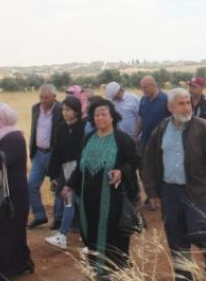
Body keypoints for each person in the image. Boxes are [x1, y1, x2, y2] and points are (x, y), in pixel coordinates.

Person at [143, 88, 206, 281]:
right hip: (170, 193)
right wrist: (152, 191)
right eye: (181, 104)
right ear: (170, 107)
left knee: (203, 234)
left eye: (188, 103)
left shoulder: (204, 127)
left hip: (198, 192)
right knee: (176, 238)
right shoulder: (161, 129)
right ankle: (184, 276)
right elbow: (149, 162)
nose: (186, 108)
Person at [64, 98, 140, 278]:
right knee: (90, 232)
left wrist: (121, 172)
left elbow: (135, 161)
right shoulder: (88, 139)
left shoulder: (123, 140)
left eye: (104, 114)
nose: (100, 118)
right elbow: (80, 167)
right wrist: (69, 185)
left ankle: (116, 272)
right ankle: (97, 270)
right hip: (88, 200)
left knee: (113, 236)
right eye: (96, 115)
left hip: (114, 200)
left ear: (112, 116)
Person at [0, 103, 34, 280]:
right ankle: (19, 264)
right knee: (6, 230)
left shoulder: (15, 138)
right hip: (3, 191)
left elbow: (0, 162)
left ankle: (6, 270)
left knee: (8, 231)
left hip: (13, 194)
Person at [45, 96, 85, 250]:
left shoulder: (84, 127)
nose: (64, 112)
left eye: (68, 110)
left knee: (82, 203)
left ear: (76, 111)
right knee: (68, 201)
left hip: (81, 168)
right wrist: (54, 175)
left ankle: (85, 233)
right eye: (63, 109)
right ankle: (63, 235)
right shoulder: (60, 128)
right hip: (65, 170)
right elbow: (56, 153)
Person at [28, 84, 64, 229]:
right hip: (38, 154)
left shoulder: (61, 110)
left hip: (54, 155)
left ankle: (58, 218)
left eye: (46, 97)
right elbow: (33, 130)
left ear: (54, 97)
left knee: (57, 187)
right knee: (31, 185)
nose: (43, 100)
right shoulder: (35, 108)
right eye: (41, 97)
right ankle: (40, 216)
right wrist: (32, 151)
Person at [138, 76, 170, 150]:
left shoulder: (165, 99)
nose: (143, 90)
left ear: (154, 86)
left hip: (160, 142)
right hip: (145, 141)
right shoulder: (143, 99)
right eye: (142, 87)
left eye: (145, 87)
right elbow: (140, 118)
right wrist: (137, 133)